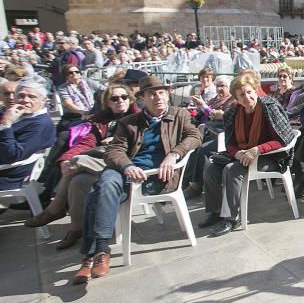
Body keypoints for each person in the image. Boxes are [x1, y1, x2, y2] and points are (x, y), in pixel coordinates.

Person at [74, 76, 201, 284]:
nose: (157, 97)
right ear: (141, 99)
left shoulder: (179, 115)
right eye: (151, 94)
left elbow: (195, 137)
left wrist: (174, 154)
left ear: (168, 93)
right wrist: (128, 166)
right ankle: (100, 252)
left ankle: (92, 255)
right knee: (105, 182)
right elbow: (114, 150)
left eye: (161, 92)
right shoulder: (129, 122)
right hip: (128, 173)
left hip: (156, 177)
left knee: (95, 193)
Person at [26, 83, 139, 248]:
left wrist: (115, 142)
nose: (120, 101)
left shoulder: (137, 117)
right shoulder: (101, 120)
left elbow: (139, 144)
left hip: (124, 163)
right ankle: (76, 228)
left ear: (130, 99)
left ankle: (55, 208)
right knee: (78, 180)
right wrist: (66, 159)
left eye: (124, 97)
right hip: (100, 162)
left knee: (77, 162)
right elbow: (87, 142)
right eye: (114, 98)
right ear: (107, 102)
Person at [199, 72, 296, 237]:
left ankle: (231, 218)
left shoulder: (269, 107)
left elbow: (284, 139)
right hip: (242, 155)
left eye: (249, 92)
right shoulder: (233, 113)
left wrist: (257, 150)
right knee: (211, 169)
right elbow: (230, 142)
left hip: (269, 157)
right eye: (241, 95)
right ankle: (216, 212)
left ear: (255, 90)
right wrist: (237, 154)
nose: (246, 97)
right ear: (236, 97)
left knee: (232, 170)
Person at [0, 77, 57, 196]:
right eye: (20, 96)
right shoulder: (21, 117)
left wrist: (6, 124)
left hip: (8, 176)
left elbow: (12, 155)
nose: (25, 100)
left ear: (44, 101)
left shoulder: (41, 124)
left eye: (32, 97)